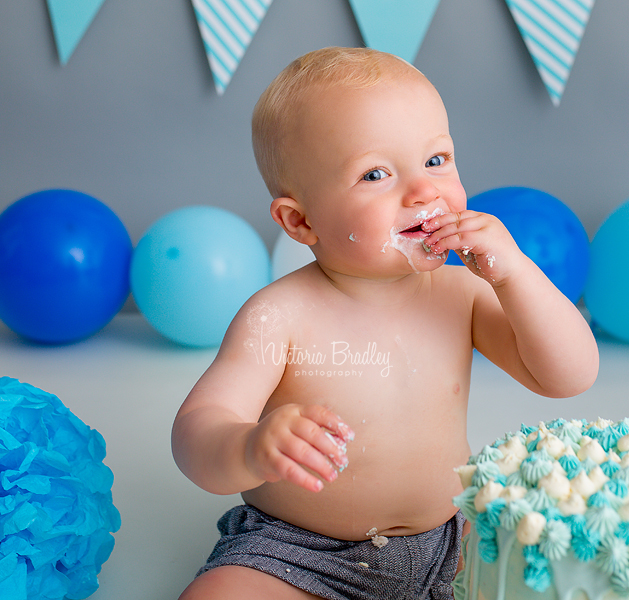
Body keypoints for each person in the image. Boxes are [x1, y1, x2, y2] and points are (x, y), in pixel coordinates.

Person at [172, 46, 599, 600]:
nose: (423, 191)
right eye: (376, 174)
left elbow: (568, 376)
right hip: (299, 550)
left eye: (436, 160)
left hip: (449, 540)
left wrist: (514, 273)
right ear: (299, 220)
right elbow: (196, 430)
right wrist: (250, 447)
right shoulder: (278, 316)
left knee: (552, 568)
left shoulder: (461, 294)